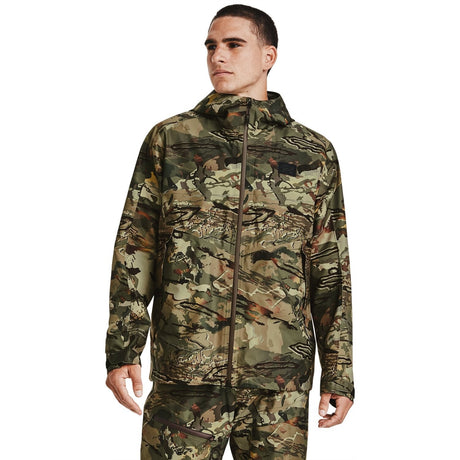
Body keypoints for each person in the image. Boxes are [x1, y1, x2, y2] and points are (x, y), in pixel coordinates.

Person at [105, 4, 354, 459]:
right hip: (185, 376)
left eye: (234, 45)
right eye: (211, 46)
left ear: (268, 56)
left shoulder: (313, 153)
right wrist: (123, 348)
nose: (217, 56)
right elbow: (135, 248)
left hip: (279, 385)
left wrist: (339, 372)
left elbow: (330, 269)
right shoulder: (171, 139)